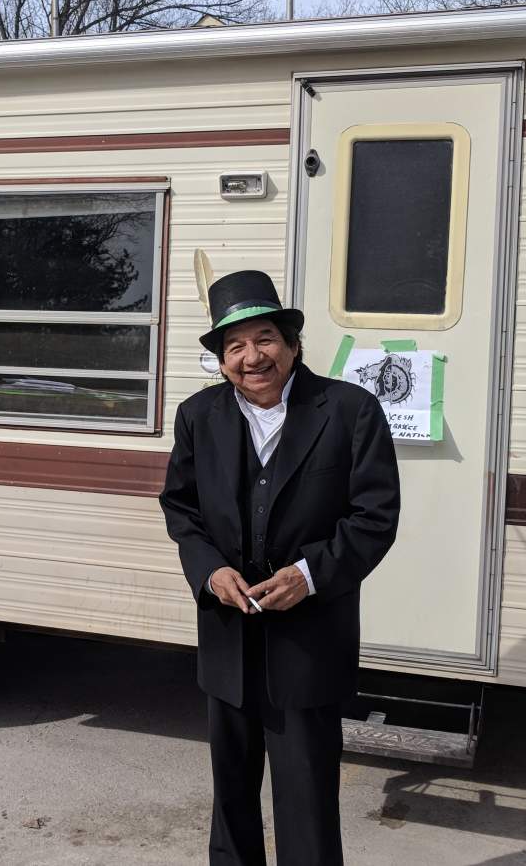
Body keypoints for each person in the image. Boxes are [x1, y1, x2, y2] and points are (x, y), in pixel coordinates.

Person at [158, 270, 400, 866]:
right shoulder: (197, 417)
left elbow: (374, 517)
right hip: (227, 640)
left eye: (264, 338)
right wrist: (210, 571)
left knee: (307, 801)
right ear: (220, 362)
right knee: (232, 798)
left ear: (292, 343)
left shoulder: (349, 411)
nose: (252, 357)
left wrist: (309, 574)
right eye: (234, 346)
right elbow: (181, 507)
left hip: (311, 644)